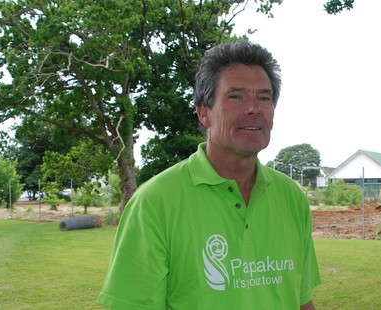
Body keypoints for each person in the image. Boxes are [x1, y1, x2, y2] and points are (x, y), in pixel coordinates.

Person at [98, 40, 321, 309]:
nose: (254, 108)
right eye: (236, 96)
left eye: (264, 97)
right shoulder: (154, 204)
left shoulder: (291, 198)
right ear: (205, 113)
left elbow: (301, 300)